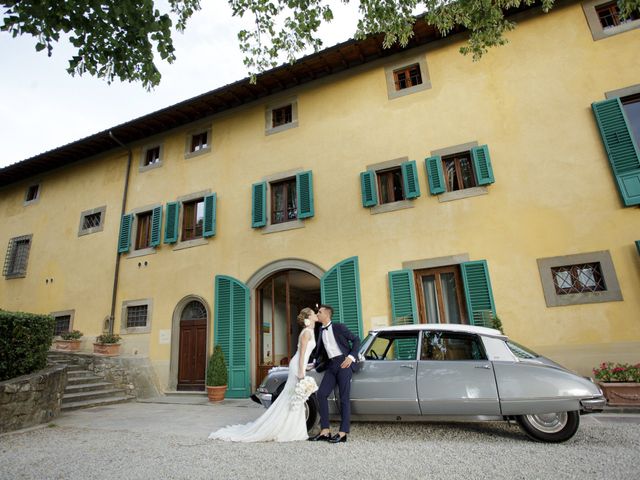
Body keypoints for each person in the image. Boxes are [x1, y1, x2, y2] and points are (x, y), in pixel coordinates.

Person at [208, 307, 317, 442]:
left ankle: (291, 427)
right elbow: (301, 354)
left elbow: (304, 355)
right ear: (308, 318)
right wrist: (301, 370)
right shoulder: (306, 332)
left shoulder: (310, 331)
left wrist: (306, 366)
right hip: (297, 367)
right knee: (294, 396)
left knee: (294, 397)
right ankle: (285, 428)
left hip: (300, 365)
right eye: (313, 313)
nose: (316, 314)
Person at [308, 304, 360, 444]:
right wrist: (311, 364)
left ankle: (343, 433)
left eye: (319, 312)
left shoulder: (339, 327)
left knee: (343, 398)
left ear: (326, 314)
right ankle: (325, 431)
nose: (317, 314)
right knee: (321, 394)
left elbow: (356, 340)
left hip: (344, 364)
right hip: (331, 366)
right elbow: (318, 352)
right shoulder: (320, 331)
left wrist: (351, 357)